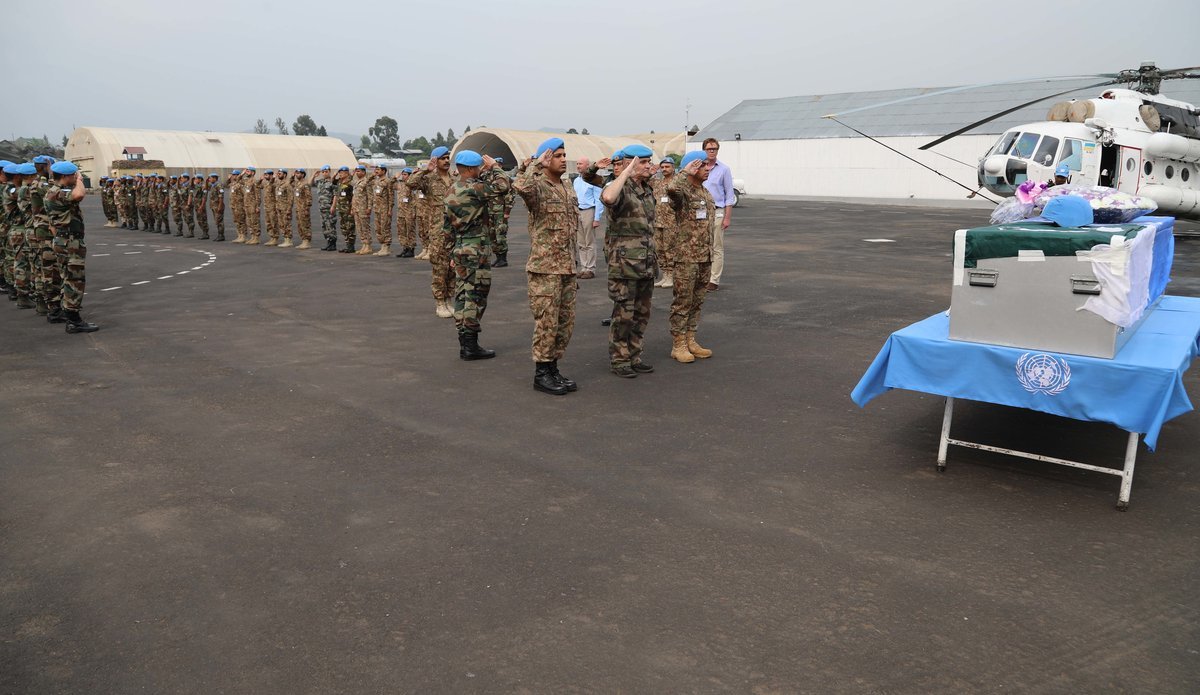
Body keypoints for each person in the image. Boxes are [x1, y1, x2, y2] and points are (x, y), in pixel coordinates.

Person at [514, 137, 580, 395]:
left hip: (566, 266)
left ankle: (553, 367)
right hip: (545, 268)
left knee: (564, 323)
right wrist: (533, 165)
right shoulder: (537, 186)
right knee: (547, 322)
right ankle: (541, 373)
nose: (564, 159)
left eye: (565, 155)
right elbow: (520, 186)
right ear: (545, 159)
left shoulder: (566, 187)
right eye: (558, 155)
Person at [584, 144, 657, 378]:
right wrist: (625, 172)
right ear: (629, 164)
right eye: (643, 162)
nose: (648, 166)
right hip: (624, 265)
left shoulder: (646, 190)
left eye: (648, 161)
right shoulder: (619, 188)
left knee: (641, 313)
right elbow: (607, 197)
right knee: (624, 314)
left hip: (645, 262)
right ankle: (620, 359)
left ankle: (635, 355)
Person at [444, 150, 509, 360]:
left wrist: (451, 252)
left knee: (463, 295)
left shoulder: (452, 189)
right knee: (476, 296)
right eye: (479, 167)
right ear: (471, 169)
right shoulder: (474, 188)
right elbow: (503, 186)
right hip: (476, 250)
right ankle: (470, 346)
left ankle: (465, 343)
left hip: (460, 248)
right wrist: (495, 167)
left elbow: (447, 228)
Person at [666, 151, 716, 363]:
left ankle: (691, 339)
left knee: (697, 301)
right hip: (686, 257)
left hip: (704, 256)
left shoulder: (705, 192)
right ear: (692, 168)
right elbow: (672, 189)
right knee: (683, 302)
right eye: (702, 165)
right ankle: (678, 344)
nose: (707, 168)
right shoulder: (683, 192)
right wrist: (683, 172)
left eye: (708, 165)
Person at [45, 161, 98, 333]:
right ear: (66, 176)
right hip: (69, 242)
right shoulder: (58, 192)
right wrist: (81, 180)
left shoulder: (55, 191)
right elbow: (79, 195)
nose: (75, 178)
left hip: (64, 240)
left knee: (68, 278)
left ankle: (69, 313)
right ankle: (74, 320)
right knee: (75, 280)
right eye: (73, 175)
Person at [407, 146, 456, 317]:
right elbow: (410, 184)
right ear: (435, 160)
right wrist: (424, 170)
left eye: (448, 157)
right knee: (439, 267)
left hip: (455, 230)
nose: (446, 161)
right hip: (438, 230)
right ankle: (439, 302)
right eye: (443, 158)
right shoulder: (429, 179)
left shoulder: (453, 179)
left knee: (453, 268)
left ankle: (449, 299)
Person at [701, 138, 733, 291]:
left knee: (716, 247)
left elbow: (729, 195)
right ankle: (703, 276)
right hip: (700, 212)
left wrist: (727, 217)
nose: (712, 151)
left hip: (717, 211)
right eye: (709, 148)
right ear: (704, 150)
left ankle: (714, 279)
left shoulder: (724, 169)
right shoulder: (699, 167)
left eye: (714, 148)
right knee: (700, 245)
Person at [572, 156, 604, 279]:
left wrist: (597, 218)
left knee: (589, 241)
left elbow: (598, 200)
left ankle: (590, 268)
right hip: (578, 211)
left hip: (589, 211)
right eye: (577, 163)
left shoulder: (593, 180)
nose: (578, 166)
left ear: (587, 165)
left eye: (580, 164)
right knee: (581, 242)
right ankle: (583, 267)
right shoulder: (576, 180)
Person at [651, 158, 678, 288]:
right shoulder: (658, 183)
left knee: (670, 249)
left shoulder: (677, 182)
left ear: (673, 168)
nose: (664, 169)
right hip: (658, 222)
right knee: (659, 249)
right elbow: (643, 180)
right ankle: (665, 274)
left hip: (671, 222)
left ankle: (671, 275)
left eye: (667, 167)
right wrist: (652, 171)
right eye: (662, 167)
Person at [488, 157, 514, 267]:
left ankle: (503, 258)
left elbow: (510, 196)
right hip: (490, 211)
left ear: (501, 166)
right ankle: (498, 257)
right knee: (492, 234)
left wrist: (507, 211)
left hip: (500, 211)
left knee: (501, 235)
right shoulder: (488, 176)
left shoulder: (505, 178)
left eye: (498, 165)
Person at [392, 167, 416, 257]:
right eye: (403, 174)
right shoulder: (400, 184)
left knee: (410, 230)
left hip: (409, 211)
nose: (403, 176)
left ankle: (411, 248)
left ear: (410, 176)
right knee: (401, 230)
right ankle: (405, 248)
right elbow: (390, 184)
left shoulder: (412, 185)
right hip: (401, 211)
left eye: (405, 174)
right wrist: (395, 178)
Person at [351, 164, 373, 255]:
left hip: (363, 208)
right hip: (356, 208)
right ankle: (363, 244)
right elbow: (354, 195)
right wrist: (352, 207)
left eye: (359, 171)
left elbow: (370, 196)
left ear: (364, 172)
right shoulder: (356, 182)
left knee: (365, 227)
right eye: (356, 171)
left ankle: (368, 246)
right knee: (359, 227)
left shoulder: (366, 182)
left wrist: (369, 207)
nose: (357, 172)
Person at [370, 164, 393, 256]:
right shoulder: (375, 181)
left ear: (384, 171)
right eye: (376, 169)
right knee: (378, 228)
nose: (376, 171)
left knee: (385, 227)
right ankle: (382, 246)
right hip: (377, 208)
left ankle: (386, 247)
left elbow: (391, 196)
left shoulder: (387, 181)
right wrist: (372, 175)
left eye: (378, 169)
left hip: (384, 208)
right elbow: (367, 181)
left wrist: (390, 209)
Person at [332, 166, 355, 252]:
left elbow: (353, 197)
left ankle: (351, 246)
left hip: (348, 209)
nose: (340, 174)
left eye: (341, 172)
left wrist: (352, 208)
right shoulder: (339, 182)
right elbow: (333, 182)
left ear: (346, 173)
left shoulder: (351, 183)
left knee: (350, 227)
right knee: (343, 227)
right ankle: (347, 245)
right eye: (339, 173)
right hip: (341, 209)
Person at [314, 165, 337, 250]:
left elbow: (335, 195)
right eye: (323, 172)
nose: (324, 173)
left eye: (326, 171)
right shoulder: (320, 182)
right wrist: (314, 176)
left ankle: (333, 244)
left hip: (329, 207)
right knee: (324, 226)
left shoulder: (332, 182)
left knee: (330, 225)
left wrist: (333, 206)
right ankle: (328, 243)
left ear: (329, 171)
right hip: (322, 208)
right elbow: (309, 184)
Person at [291, 168, 312, 249]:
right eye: (296, 173)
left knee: (305, 224)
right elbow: (291, 183)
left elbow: (309, 197)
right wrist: (292, 177)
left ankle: (307, 241)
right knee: (300, 225)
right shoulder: (297, 183)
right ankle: (303, 240)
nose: (297, 174)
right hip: (298, 208)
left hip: (303, 208)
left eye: (298, 173)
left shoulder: (305, 184)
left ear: (303, 174)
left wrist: (307, 208)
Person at [271, 169, 292, 247]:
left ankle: (288, 240)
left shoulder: (287, 184)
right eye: (278, 173)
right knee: (281, 224)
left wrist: (289, 208)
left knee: (286, 224)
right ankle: (285, 239)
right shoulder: (278, 183)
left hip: (285, 208)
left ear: (285, 175)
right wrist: (274, 177)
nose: (278, 174)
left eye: (280, 173)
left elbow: (290, 197)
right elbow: (271, 184)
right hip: (279, 207)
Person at [242, 167, 262, 245]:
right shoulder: (246, 181)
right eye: (246, 171)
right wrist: (242, 173)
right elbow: (237, 180)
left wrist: (257, 206)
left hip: (253, 205)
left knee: (255, 221)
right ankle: (252, 237)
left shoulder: (255, 181)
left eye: (248, 171)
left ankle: (256, 238)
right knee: (249, 221)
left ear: (253, 173)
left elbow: (258, 195)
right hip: (247, 204)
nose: (247, 172)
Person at [207, 173, 226, 241]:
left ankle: (221, 235)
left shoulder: (219, 185)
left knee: (219, 221)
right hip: (213, 206)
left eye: (210, 178)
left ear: (215, 178)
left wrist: (220, 206)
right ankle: (219, 234)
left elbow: (221, 196)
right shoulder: (212, 185)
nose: (209, 179)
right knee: (217, 220)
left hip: (218, 206)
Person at [229, 170, 245, 242]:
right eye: (233, 175)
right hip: (233, 205)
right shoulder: (233, 184)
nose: (233, 176)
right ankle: (239, 235)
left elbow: (245, 195)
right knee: (236, 221)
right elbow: (226, 184)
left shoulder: (241, 183)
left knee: (241, 221)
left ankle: (243, 236)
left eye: (235, 175)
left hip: (240, 205)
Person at [192, 173, 210, 239]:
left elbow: (204, 197)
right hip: (196, 205)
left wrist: (202, 206)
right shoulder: (196, 185)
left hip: (200, 205)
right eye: (195, 179)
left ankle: (206, 233)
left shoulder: (203, 186)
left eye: (196, 179)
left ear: (200, 179)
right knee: (199, 219)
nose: (195, 180)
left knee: (203, 219)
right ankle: (204, 233)